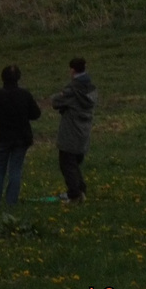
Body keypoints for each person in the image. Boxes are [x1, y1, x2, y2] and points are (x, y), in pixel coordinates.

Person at [0, 64, 41, 205]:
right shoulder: (25, 94)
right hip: (22, 137)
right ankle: (11, 201)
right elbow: (36, 114)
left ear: (3, 78)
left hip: (2, 137)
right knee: (15, 170)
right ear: (18, 78)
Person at [52, 56, 97, 203]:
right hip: (84, 132)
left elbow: (56, 101)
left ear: (72, 70)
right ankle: (81, 189)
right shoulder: (91, 88)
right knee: (75, 164)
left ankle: (75, 194)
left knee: (66, 164)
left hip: (70, 132)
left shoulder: (72, 89)